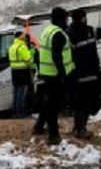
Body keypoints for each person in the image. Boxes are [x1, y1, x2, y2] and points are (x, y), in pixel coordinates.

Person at [32, 7, 75, 145]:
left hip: (46, 73)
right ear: (60, 19)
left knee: (48, 103)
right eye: (65, 18)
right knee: (53, 106)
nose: (67, 21)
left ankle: (39, 127)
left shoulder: (47, 31)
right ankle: (53, 135)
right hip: (55, 75)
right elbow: (57, 57)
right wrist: (63, 75)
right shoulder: (58, 34)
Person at [68, 8, 101, 139]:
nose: (85, 19)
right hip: (80, 75)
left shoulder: (89, 30)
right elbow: (71, 55)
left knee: (89, 103)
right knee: (81, 103)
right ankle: (80, 129)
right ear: (77, 19)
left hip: (92, 72)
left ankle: (79, 127)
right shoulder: (71, 33)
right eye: (83, 17)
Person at [8, 30, 35, 117]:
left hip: (14, 71)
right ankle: (21, 113)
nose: (24, 37)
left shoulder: (12, 47)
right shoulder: (22, 47)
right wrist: (32, 56)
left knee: (16, 92)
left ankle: (15, 112)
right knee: (22, 93)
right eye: (23, 35)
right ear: (20, 37)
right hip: (23, 71)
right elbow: (28, 59)